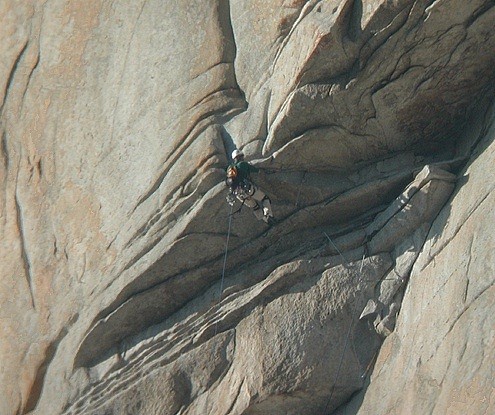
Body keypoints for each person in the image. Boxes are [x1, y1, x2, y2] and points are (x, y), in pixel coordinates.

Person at [225, 149, 274, 224]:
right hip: (248, 189)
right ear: (241, 156)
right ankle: (268, 215)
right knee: (264, 198)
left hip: (238, 194)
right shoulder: (243, 164)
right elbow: (256, 170)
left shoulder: (230, 168)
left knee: (255, 207)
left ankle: (266, 221)